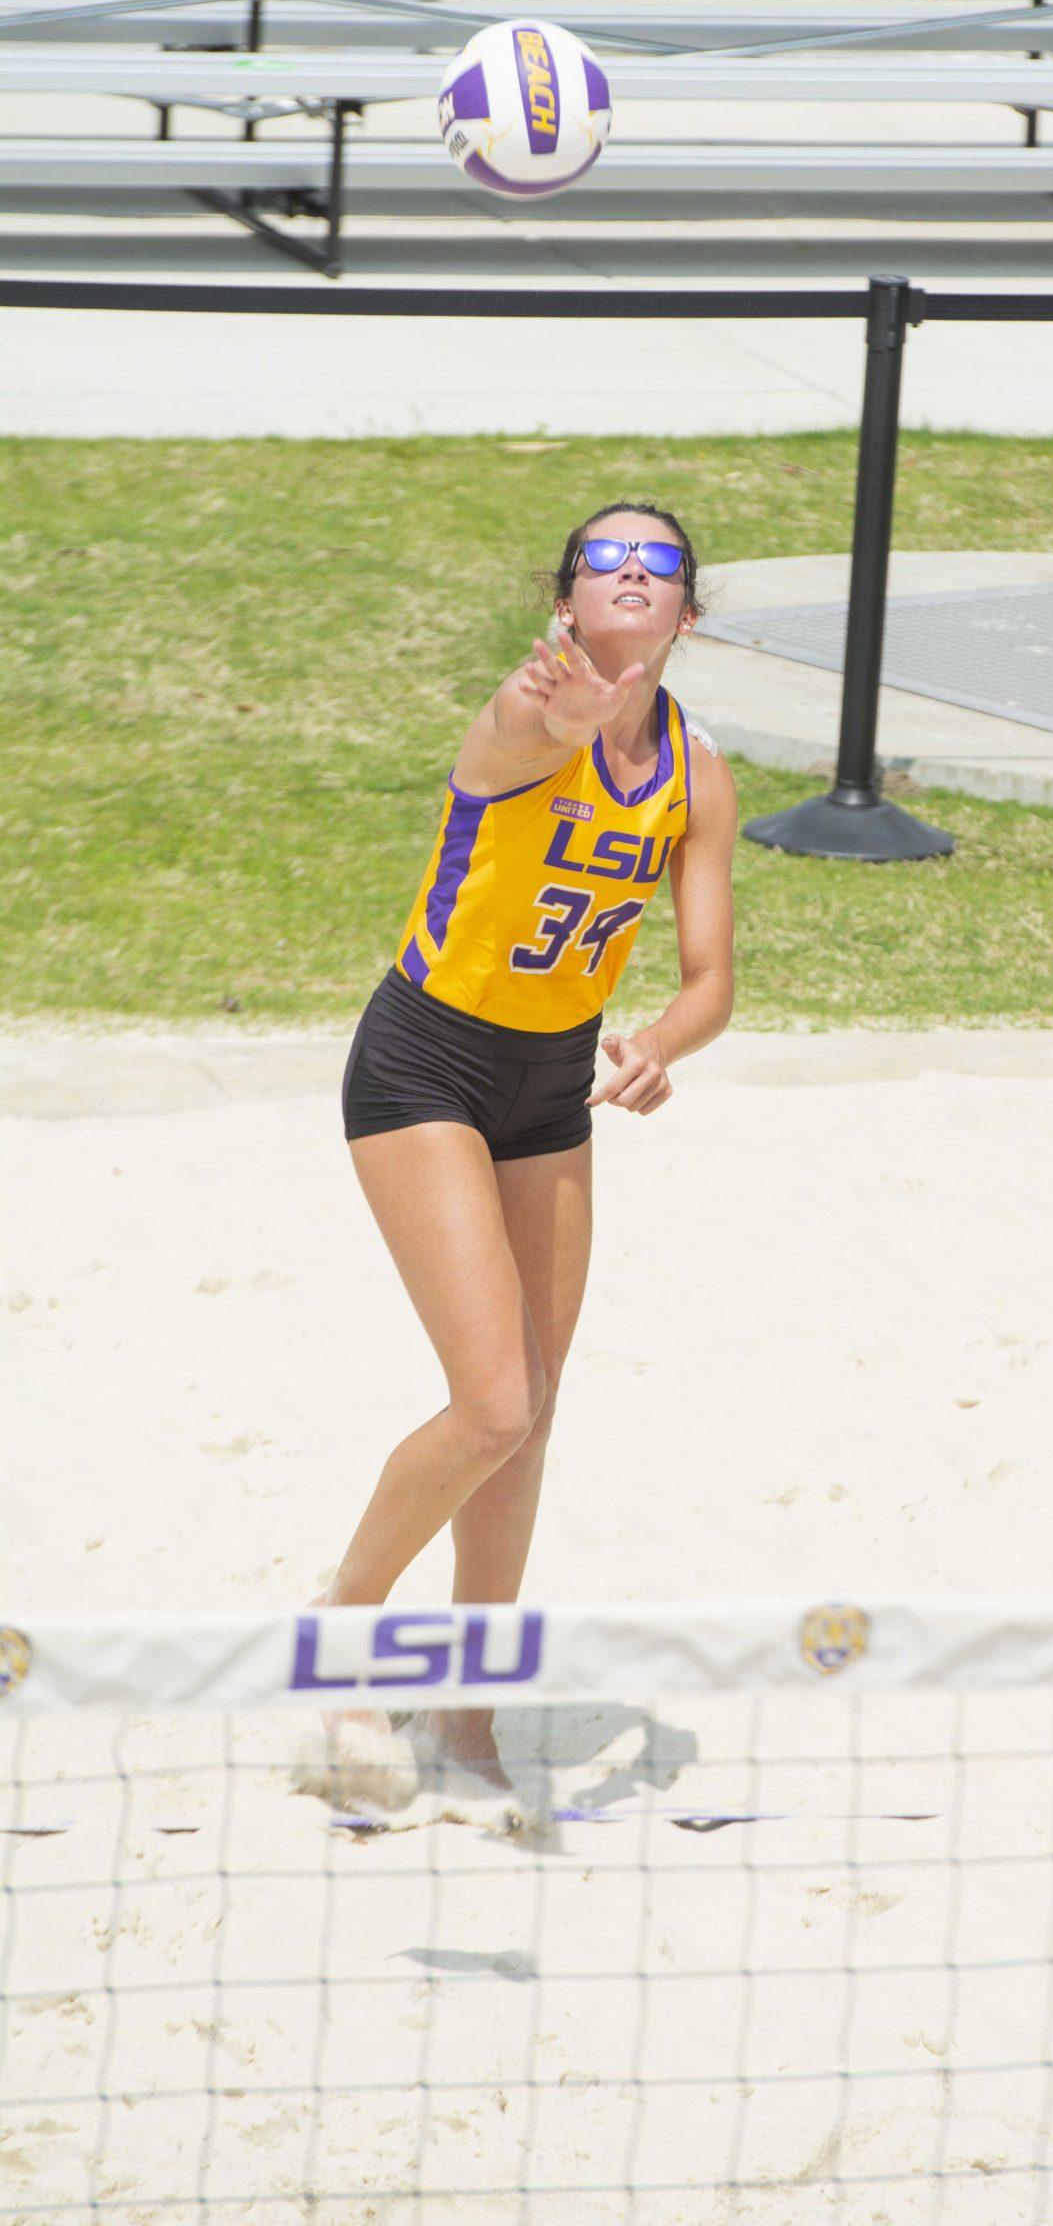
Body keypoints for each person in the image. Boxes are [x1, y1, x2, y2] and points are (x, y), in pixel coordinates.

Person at [319, 499, 736, 1796]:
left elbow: (712, 973)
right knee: (491, 1396)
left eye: (654, 562)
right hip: (425, 1062)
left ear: (685, 608)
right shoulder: (525, 713)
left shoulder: (696, 772)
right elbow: (533, 729)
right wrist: (562, 703)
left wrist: (667, 1036)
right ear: (566, 600)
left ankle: (471, 1713)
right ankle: (342, 1635)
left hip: (552, 1085)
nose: (628, 572)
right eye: (602, 559)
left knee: (532, 1413)